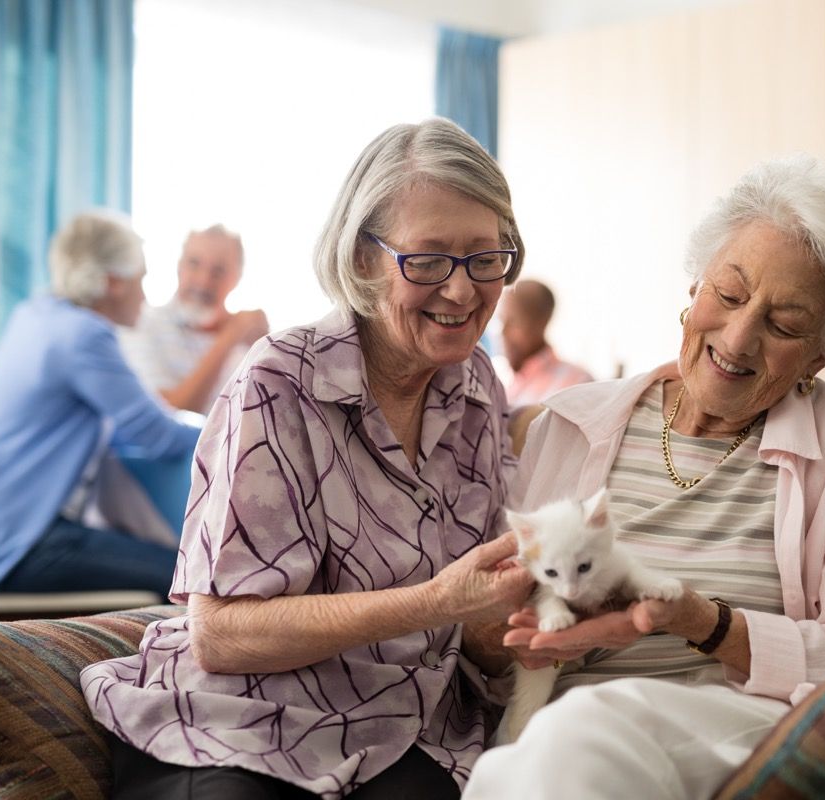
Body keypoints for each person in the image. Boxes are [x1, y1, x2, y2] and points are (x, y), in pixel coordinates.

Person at [81, 119, 536, 799]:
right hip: (243, 718)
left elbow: (472, 629)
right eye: (430, 260)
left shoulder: (476, 388)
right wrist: (437, 602)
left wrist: (514, 622)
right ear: (362, 260)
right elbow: (222, 637)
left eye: (486, 257)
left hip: (403, 722)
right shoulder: (280, 382)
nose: (464, 290)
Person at [463, 154, 825, 800]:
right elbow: (485, 636)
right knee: (516, 764)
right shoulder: (568, 423)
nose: (737, 340)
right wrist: (505, 634)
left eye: (783, 324)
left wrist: (704, 623)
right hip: (552, 733)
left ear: (822, 353)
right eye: (728, 295)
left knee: (579, 732)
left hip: (740, 726)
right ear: (694, 289)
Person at [0, 211, 202, 596]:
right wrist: (233, 430)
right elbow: (158, 435)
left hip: (4, 529)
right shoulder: (83, 335)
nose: (144, 295)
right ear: (113, 283)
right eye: (142, 279)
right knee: (190, 575)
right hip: (22, 543)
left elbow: (123, 424)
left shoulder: (36, 316)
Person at [119, 224, 269, 413]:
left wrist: (267, 346)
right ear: (179, 266)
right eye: (194, 263)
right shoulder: (142, 325)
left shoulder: (250, 339)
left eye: (219, 271)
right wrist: (229, 338)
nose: (204, 280)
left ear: (237, 278)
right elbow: (169, 413)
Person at [499, 278, 593, 405]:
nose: (504, 332)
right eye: (502, 321)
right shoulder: (502, 380)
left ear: (541, 323)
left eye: (514, 322)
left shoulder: (576, 384)